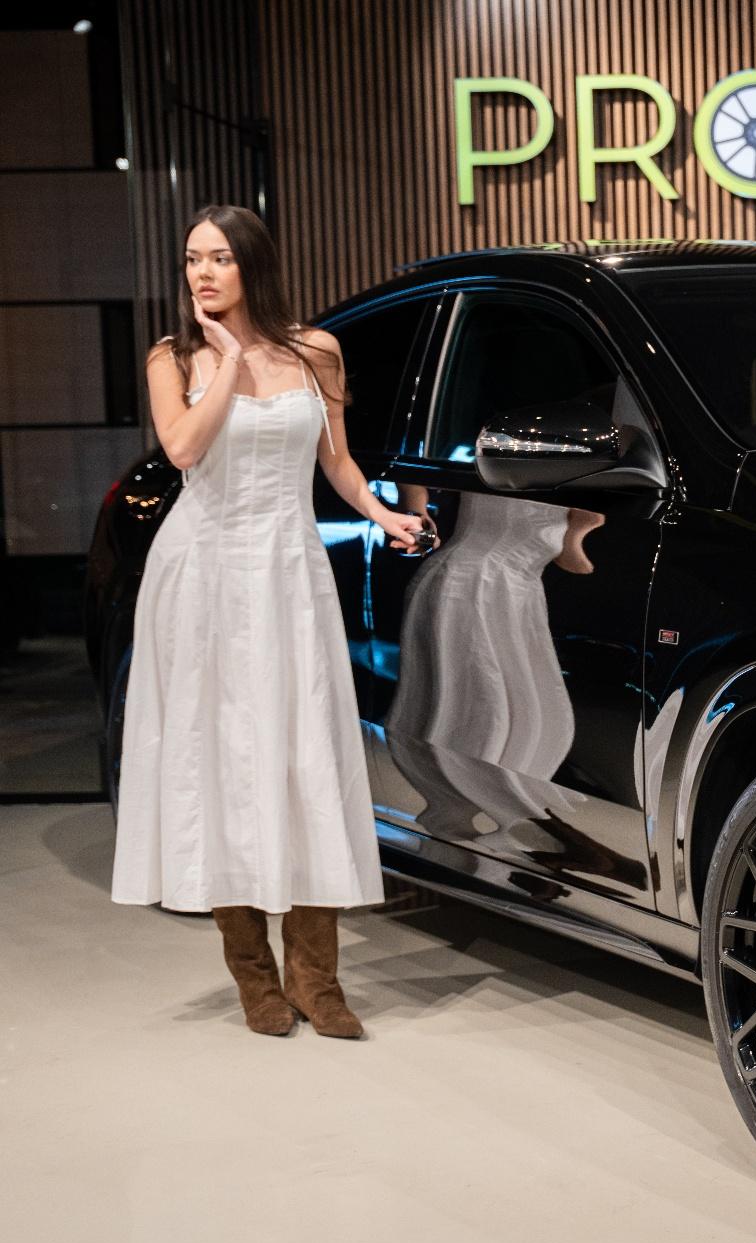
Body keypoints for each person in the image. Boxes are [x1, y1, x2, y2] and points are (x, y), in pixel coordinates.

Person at [108, 204, 424, 1039]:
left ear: (253, 264)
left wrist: (381, 513)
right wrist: (225, 360)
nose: (203, 273)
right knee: (220, 760)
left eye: (219, 258)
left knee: (304, 752)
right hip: (202, 574)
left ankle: (317, 981)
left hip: (288, 570)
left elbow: (338, 461)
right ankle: (253, 977)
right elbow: (183, 450)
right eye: (192, 259)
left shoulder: (316, 351)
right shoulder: (174, 357)